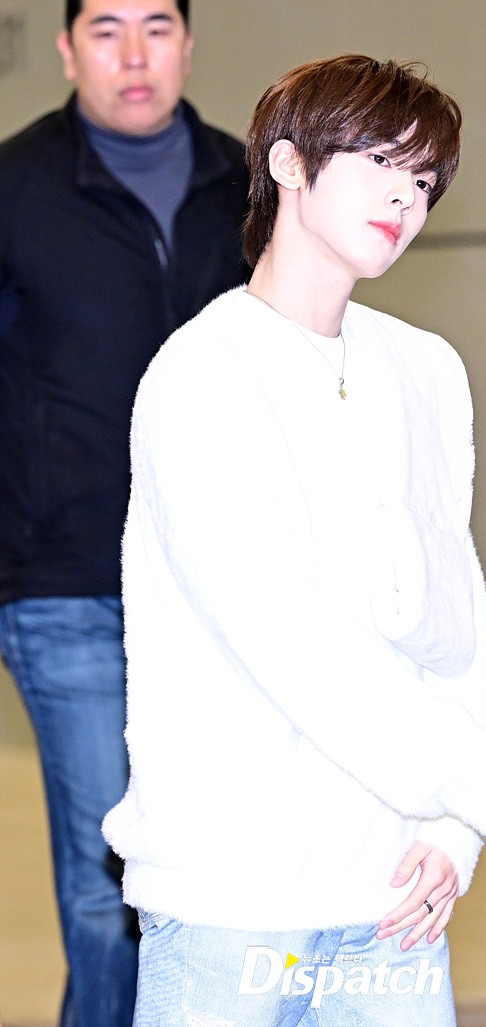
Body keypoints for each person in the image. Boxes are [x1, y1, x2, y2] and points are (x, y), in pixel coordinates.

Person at [103, 54, 486, 1026]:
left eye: (424, 181)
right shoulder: (202, 374)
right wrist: (468, 779)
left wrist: (451, 825)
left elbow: (453, 616)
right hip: (233, 900)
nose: (405, 198)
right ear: (288, 164)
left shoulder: (426, 369)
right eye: (381, 163)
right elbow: (281, 630)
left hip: (392, 897)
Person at [0, 1, 248, 1024]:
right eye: (107, 30)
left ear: (189, 42)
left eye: (156, 26)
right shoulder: (14, 187)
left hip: (223, 592)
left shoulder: (254, 182)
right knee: (109, 886)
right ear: (67, 50)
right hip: (69, 587)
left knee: (217, 879)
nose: (135, 54)